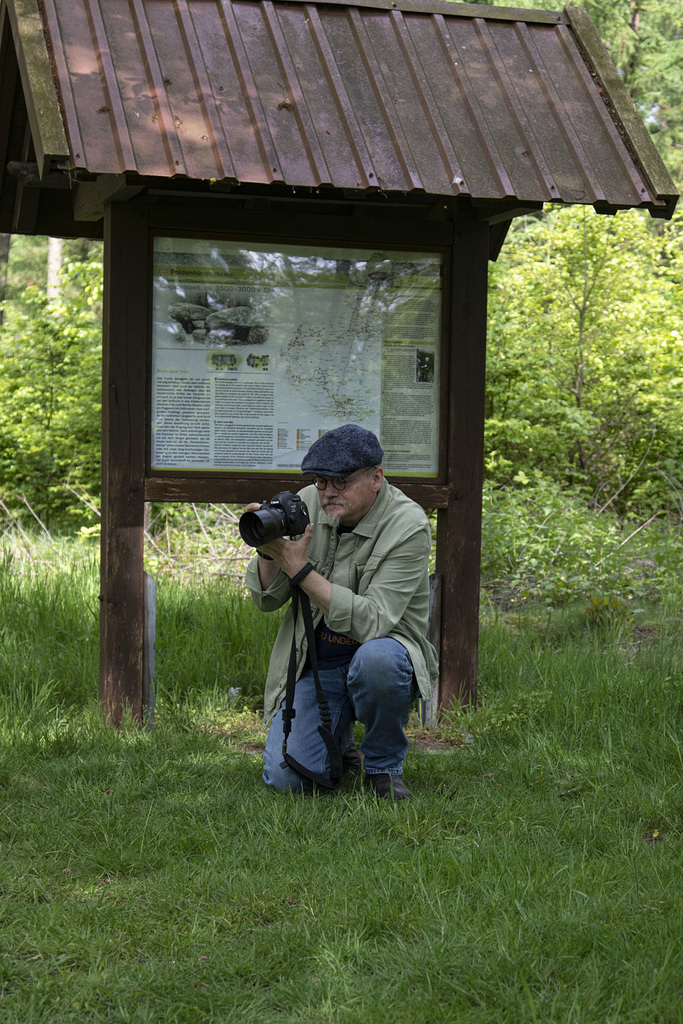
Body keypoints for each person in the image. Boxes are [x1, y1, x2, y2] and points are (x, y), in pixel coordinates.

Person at [244, 424, 438, 800]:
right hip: (318, 666)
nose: (329, 492)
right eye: (321, 481)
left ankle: (383, 765)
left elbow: (374, 622)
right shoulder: (306, 503)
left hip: (381, 656)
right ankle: (340, 743)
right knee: (287, 780)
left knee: (378, 661)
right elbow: (266, 600)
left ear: (376, 478)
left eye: (342, 481)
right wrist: (269, 551)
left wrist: (299, 568)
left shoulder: (408, 525)